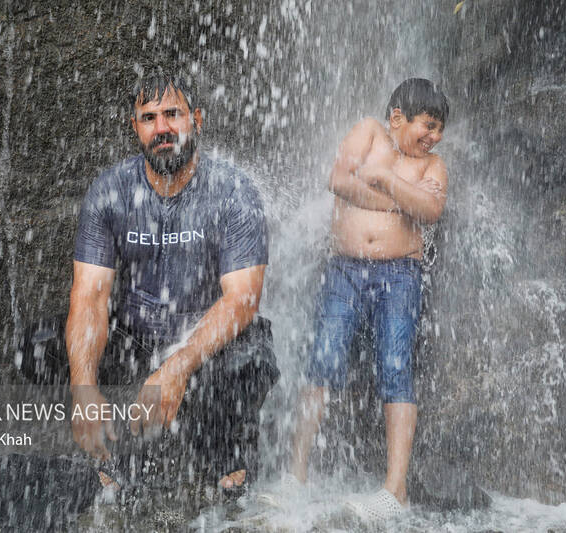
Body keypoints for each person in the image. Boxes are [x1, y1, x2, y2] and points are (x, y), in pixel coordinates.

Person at [58, 67, 278, 493]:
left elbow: (242, 300)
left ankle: (226, 453)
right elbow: (89, 297)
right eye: (149, 118)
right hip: (138, 341)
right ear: (135, 127)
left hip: (205, 347)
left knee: (252, 357)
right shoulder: (110, 191)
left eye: (172, 114)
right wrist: (82, 387)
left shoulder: (233, 191)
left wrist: (177, 367)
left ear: (197, 119)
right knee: (41, 348)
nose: (162, 128)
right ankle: (115, 449)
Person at [260, 78, 448, 523]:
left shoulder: (433, 165)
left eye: (440, 129)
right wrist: (397, 201)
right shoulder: (368, 131)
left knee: (396, 368)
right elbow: (338, 180)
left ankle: (395, 490)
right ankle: (295, 477)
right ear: (398, 117)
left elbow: (431, 210)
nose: (434, 136)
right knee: (322, 360)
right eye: (428, 125)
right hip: (344, 269)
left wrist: (386, 180)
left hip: (401, 275)